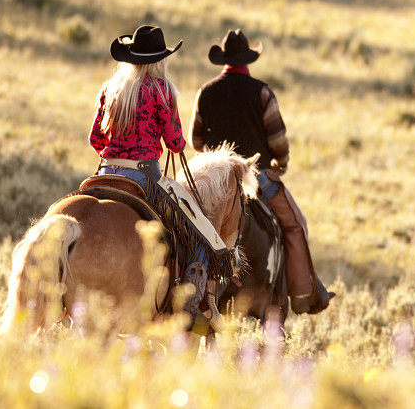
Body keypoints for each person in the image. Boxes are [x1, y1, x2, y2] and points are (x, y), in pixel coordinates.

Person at [189, 29, 333, 314]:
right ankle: (305, 295)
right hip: (256, 175)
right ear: (247, 61)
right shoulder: (263, 92)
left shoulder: (205, 92)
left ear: (224, 61)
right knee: (295, 225)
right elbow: (278, 139)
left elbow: (195, 140)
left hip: (216, 180)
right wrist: (281, 163)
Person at [89, 25, 221, 321]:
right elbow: (175, 142)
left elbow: (95, 140)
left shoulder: (111, 89)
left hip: (105, 171)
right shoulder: (162, 90)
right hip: (144, 177)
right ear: (159, 60)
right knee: (198, 230)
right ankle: (189, 303)